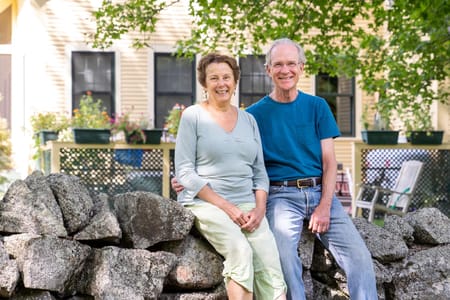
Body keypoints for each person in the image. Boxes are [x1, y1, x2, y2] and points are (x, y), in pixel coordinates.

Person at [173, 39, 378, 300]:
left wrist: (325, 205)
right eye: (278, 64)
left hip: (318, 192)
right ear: (268, 70)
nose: (285, 70)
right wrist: (185, 177)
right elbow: (232, 155)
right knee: (282, 257)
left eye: (291, 63)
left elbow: (329, 162)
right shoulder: (255, 115)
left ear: (301, 67)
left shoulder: (318, 107)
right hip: (281, 197)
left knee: (359, 257)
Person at [174, 53, 287, 300]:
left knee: (270, 264)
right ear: (204, 83)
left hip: (247, 205)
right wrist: (227, 207)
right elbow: (183, 171)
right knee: (240, 251)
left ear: (235, 82)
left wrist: (259, 209)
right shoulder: (193, 116)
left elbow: (259, 172)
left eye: (226, 77)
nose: (221, 83)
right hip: (206, 203)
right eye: (214, 78)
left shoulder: (249, 120)